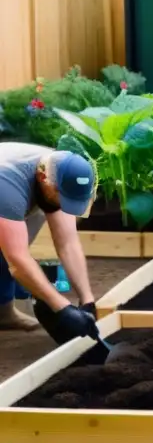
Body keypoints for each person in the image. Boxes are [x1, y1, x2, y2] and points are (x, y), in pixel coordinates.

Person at [0, 143, 101, 342]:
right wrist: (61, 308)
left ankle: (3, 314)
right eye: (62, 198)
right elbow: (17, 260)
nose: (65, 206)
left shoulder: (61, 174)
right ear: (42, 179)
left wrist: (87, 300)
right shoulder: (7, 189)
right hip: (5, 189)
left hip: (19, 194)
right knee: (12, 252)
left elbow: (68, 244)